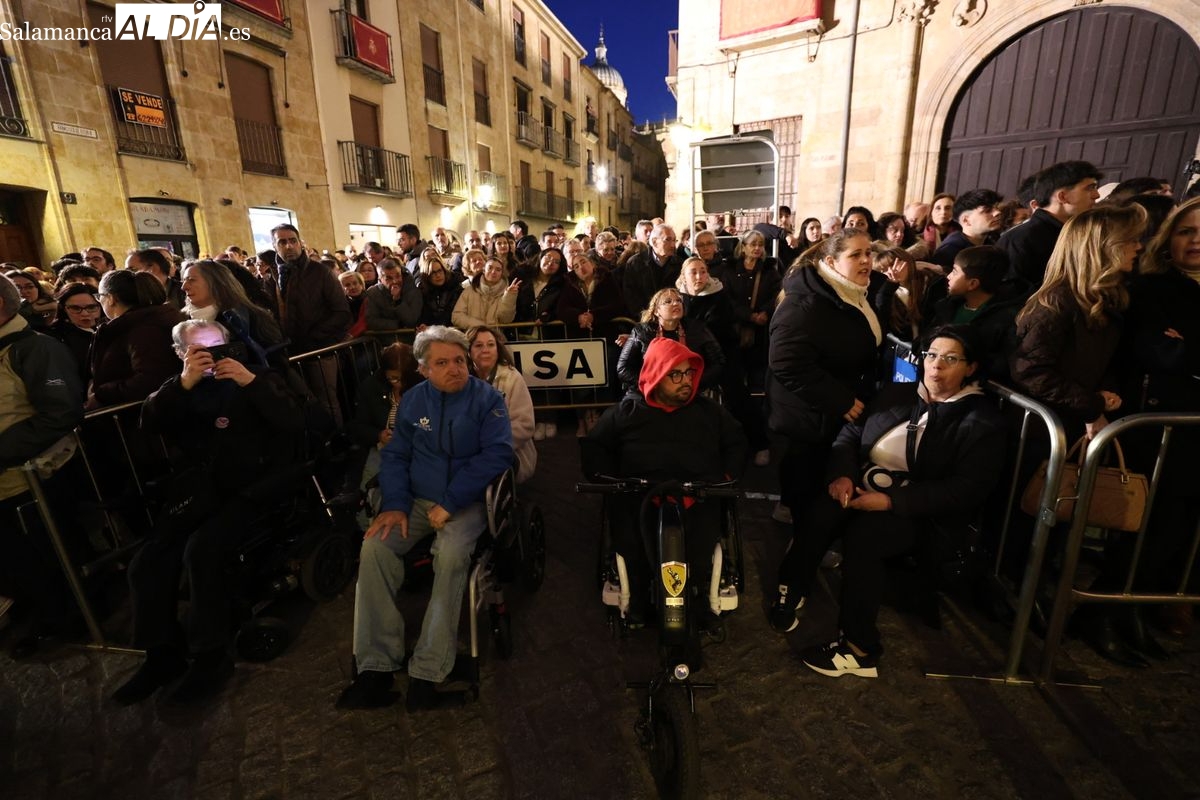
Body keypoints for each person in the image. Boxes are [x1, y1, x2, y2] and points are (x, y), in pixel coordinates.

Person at [771, 327, 1006, 679]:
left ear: (970, 368)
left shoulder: (981, 423)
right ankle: (791, 588)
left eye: (950, 359)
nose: (936, 365)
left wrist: (890, 501)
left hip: (923, 514)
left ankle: (859, 649)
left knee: (866, 536)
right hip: (863, 486)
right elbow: (850, 435)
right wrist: (843, 475)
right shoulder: (897, 392)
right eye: (931, 355)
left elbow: (965, 490)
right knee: (821, 510)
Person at [112, 319, 305, 705]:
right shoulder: (180, 388)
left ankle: (210, 655)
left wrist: (250, 382)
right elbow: (149, 423)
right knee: (147, 562)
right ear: (181, 354)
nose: (214, 358)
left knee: (201, 551)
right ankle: (161, 654)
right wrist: (184, 383)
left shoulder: (259, 376)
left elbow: (294, 421)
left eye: (219, 348)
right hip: (199, 490)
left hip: (251, 489)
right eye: (201, 351)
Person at [337, 326, 513, 711]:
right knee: (374, 548)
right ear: (423, 369)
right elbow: (396, 455)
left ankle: (429, 671)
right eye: (442, 363)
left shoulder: (488, 400)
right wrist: (394, 504)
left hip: (465, 502)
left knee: (449, 557)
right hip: (417, 500)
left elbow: (498, 454)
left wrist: (450, 502)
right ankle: (376, 666)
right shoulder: (414, 402)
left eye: (459, 360)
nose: (455, 368)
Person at [581, 337, 748, 628]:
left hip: (697, 494)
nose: (687, 381)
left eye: (689, 373)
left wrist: (725, 478)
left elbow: (737, 443)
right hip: (639, 494)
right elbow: (595, 447)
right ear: (657, 374)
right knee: (631, 541)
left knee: (700, 545)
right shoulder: (627, 411)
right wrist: (608, 479)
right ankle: (637, 597)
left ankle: (697, 598)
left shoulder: (709, 411)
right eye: (676, 374)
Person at [1118, 196, 1200, 642]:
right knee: (1157, 518)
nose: (1196, 241)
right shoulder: (1150, 289)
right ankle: (1129, 602)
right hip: (1163, 422)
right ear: (1169, 239)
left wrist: (1188, 347)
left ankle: (1178, 596)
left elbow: (1185, 351)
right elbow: (1165, 354)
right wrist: (1182, 351)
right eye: (1187, 231)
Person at [767, 230, 883, 527]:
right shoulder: (805, 304)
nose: (866, 260)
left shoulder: (851, 292)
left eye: (868, 253)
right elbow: (785, 362)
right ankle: (801, 537)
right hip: (809, 413)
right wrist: (840, 400)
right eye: (855, 255)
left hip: (831, 408)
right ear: (831, 262)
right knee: (806, 482)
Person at [0, 275, 85, 657]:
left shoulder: (36, 348)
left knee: (43, 556)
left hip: (28, 479)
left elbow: (60, 412)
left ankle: (61, 619)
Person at [1009, 203, 1146, 440]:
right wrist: (1091, 406)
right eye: (1130, 240)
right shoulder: (1057, 301)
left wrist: (1105, 393)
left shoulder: (1104, 297)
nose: (1139, 246)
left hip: (1070, 421)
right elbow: (1030, 372)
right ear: (1101, 247)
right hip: (1045, 431)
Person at [677, 256, 770, 466]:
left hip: (722, 353)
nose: (699, 276)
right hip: (687, 355)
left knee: (737, 395)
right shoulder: (677, 297)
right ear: (683, 276)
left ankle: (760, 443)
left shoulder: (719, 296)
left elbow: (716, 329)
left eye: (703, 271)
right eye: (693, 272)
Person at [999, 161, 1103, 295]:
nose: (1097, 195)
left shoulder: (1079, 232)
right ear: (1062, 196)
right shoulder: (1020, 239)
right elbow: (1010, 293)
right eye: (1089, 188)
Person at [89, 269, 187, 409]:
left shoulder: (144, 329)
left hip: (146, 412)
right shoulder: (151, 319)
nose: (99, 302)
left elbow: (149, 381)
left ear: (111, 298)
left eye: (100, 296)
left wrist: (103, 393)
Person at [928, 245, 1019, 381]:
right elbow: (924, 339)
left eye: (955, 271)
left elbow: (999, 365)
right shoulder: (947, 306)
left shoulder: (1004, 319)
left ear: (972, 284)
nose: (949, 276)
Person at [180, 259, 287, 369]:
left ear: (216, 282)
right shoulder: (182, 323)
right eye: (183, 280)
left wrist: (248, 375)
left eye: (191, 280)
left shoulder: (250, 318)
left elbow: (277, 367)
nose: (184, 287)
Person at [616, 287, 724, 395]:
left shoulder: (697, 328)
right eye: (668, 301)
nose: (676, 303)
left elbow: (718, 362)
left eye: (679, 300)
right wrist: (650, 385)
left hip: (690, 390)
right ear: (656, 311)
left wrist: (694, 383)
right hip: (652, 392)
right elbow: (623, 369)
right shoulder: (641, 331)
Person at [468, 326, 536, 482]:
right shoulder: (462, 380)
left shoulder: (512, 378)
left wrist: (487, 444)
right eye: (479, 345)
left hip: (510, 451)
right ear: (468, 351)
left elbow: (525, 425)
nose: (485, 350)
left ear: (498, 349)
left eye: (491, 345)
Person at [931, 189, 1004, 271]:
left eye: (996, 208)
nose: (998, 212)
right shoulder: (950, 250)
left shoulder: (994, 241)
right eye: (987, 210)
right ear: (966, 220)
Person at [48, 282, 101, 385]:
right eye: (75, 308)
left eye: (91, 307)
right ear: (63, 309)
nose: (85, 313)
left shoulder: (111, 329)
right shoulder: (55, 337)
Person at [452, 256, 519, 329]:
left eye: (498, 270)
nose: (493, 272)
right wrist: (479, 325)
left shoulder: (507, 292)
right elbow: (456, 316)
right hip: (472, 334)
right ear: (484, 270)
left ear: (501, 273)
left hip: (495, 334)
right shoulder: (469, 291)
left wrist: (509, 297)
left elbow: (506, 319)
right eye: (490, 268)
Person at [364, 258, 423, 332]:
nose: (395, 281)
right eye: (389, 278)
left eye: (398, 276)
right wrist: (398, 324)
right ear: (380, 280)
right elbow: (371, 321)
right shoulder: (373, 293)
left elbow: (411, 321)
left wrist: (398, 301)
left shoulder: (413, 291)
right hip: (382, 336)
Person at [415, 249, 462, 329]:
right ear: (427, 276)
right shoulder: (423, 292)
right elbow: (424, 315)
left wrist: (431, 327)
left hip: (452, 330)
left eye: (440, 271)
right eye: (433, 273)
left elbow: (450, 314)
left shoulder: (455, 288)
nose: (438, 275)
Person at [338, 270, 368, 338]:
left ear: (361, 284)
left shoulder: (369, 299)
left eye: (355, 283)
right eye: (347, 285)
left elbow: (365, 321)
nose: (352, 287)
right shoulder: (341, 304)